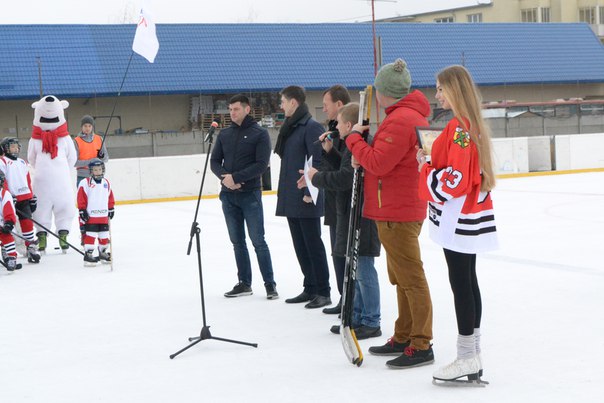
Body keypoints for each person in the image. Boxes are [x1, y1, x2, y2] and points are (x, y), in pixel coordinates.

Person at [346, 58, 434, 368]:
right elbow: (383, 159)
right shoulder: (405, 117)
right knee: (401, 277)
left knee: (411, 278)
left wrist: (353, 139)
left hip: (397, 210)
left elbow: (379, 163)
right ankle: (405, 334)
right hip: (396, 207)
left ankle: (421, 343)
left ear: (384, 92)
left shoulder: (400, 120)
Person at [416, 65, 498, 383]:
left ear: (454, 90)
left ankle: (466, 357)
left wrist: (425, 168)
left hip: (458, 215)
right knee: (467, 281)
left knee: (461, 283)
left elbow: (456, 179)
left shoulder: (460, 129)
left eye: (440, 89)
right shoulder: (469, 126)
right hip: (468, 213)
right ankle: (472, 354)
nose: (436, 95)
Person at [298, 102, 382, 340]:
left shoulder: (360, 144)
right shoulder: (348, 145)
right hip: (349, 212)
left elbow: (346, 178)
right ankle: (355, 316)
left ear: (347, 124)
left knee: (364, 269)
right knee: (353, 269)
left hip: (362, 215)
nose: (335, 127)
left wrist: (317, 177)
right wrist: (329, 151)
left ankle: (371, 319)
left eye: (339, 124)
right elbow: (345, 169)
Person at [210, 94, 278, 300]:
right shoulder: (224, 134)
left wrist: (237, 178)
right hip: (228, 197)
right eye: (230, 109)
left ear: (247, 109)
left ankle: (270, 284)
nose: (232, 113)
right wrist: (226, 179)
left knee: (258, 240)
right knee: (237, 241)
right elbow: (214, 161)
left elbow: (261, 164)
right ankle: (244, 283)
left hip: (250, 195)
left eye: (236, 109)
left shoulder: (260, 134)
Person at [275, 85, 331, 309]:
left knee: (312, 244)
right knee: (300, 244)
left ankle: (323, 291)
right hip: (292, 196)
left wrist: (310, 191)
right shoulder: (290, 127)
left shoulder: (310, 127)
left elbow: (317, 161)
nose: (281, 106)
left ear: (293, 103)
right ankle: (310, 288)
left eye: (282, 101)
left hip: (306, 196)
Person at [28, 95, 77, 254]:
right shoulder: (35, 139)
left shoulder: (65, 138)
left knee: (65, 207)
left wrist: (62, 171)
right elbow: (31, 159)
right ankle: (42, 236)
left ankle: (63, 234)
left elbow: (72, 157)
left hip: (61, 182)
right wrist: (44, 170)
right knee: (40, 209)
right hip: (42, 182)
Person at [319, 85, 350, 315]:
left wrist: (330, 153)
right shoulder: (333, 131)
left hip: (345, 203)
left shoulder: (350, 134)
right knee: (337, 252)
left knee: (345, 254)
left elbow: (345, 171)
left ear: (339, 105)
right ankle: (344, 298)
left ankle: (350, 301)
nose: (323, 109)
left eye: (326, 105)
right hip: (333, 201)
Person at [0, 137, 41, 263]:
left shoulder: (22, 162)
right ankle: (6, 249)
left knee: (27, 223)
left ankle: (31, 247)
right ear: (5, 148)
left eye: (17, 146)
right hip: (10, 199)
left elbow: (27, 180)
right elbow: (3, 180)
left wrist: (31, 195)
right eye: (12, 146)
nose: (15, 148)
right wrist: (7, 194)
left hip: (24, 198)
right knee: (7, 226)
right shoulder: (3, 161)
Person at [77, 159, 115, 266]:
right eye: (95, 170)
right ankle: (88, 255)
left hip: (103, 215)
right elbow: (81, 197)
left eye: (99, 169)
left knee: (104, 235)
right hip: (91, 216)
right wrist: (82, 210)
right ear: (91, 171)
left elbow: (110, 197)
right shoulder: (85, 183)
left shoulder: (106, 182)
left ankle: (102, 253)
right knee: (91, 234)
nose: (98, 171)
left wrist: (111, 208)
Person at [74, 115, 109, 186]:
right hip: (82, 177)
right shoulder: (76, 141)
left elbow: (106, 159)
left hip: (98, 176)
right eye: (85, 126)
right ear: (81, 127)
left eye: (90, 126)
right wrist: (91, 161)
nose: (87, 128)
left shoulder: (99, 139)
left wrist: (102, 157)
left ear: (92, 127)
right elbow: (75, 162)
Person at [0, 171, 22, 271]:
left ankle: (12, 257)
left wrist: (9, 222)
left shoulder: (4, 194)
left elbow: (8, 209)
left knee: (7, 237)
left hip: (1, 224)